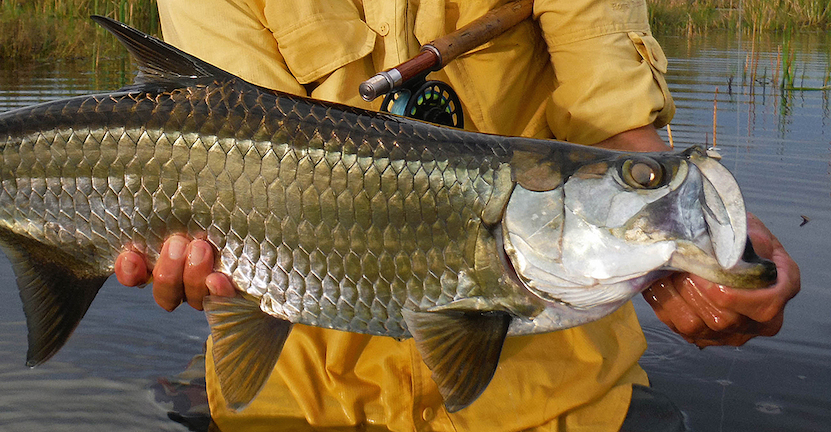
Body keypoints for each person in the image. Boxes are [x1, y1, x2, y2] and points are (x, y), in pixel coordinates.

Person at [115, 0, 802, 430]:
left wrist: (690, 246)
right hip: (294, 399)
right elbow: (239, 146)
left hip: (554, 403)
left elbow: (614, 118)